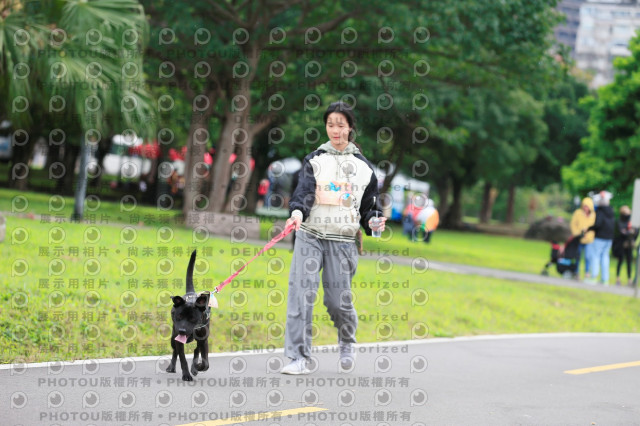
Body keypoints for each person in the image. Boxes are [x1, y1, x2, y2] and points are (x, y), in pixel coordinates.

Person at [281, 101, 386, 375]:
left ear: (350, 127)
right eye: (330, 125)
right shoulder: (315, 159)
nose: (335, 130)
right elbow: (304, 192)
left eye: (340, 125)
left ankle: (347, 340)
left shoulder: (364, 168)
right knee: (301, 296)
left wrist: (374, 220)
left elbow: (370, 208)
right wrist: (297, 213)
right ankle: (298, 357)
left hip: (343, 241)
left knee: (337, 302)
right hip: (309, 235)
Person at [585, 191, 615, 285]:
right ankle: (605, 279)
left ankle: (594, 277)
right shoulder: (611, 211)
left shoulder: (600, 211)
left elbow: (598, 224)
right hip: (609, 238)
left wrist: (589, 229)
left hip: (600, 237)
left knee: (595, 256)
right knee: (605, 257)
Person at [570, 197, 595, 279]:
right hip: (579, 238)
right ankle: (576, 272)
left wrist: (589, 233)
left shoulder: (593, 215)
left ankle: (587, 272)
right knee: (577, 256)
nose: (585, 208)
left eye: (587, 206)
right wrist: (577, 233)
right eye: (584, 206)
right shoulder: (578, 213)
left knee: (588, 257)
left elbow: (594, 227)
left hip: (589, 239)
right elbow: (573, 224)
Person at [613, 205, 638, 286]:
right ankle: (618, 278)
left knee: (629, 262)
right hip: (621, 244)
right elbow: (621, 232)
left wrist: (629, 233)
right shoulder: (619, 221)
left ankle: (629, 279)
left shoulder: (631, 221)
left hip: (629, 243)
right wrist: (629, 232)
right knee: (620, 261)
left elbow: (635, 231)